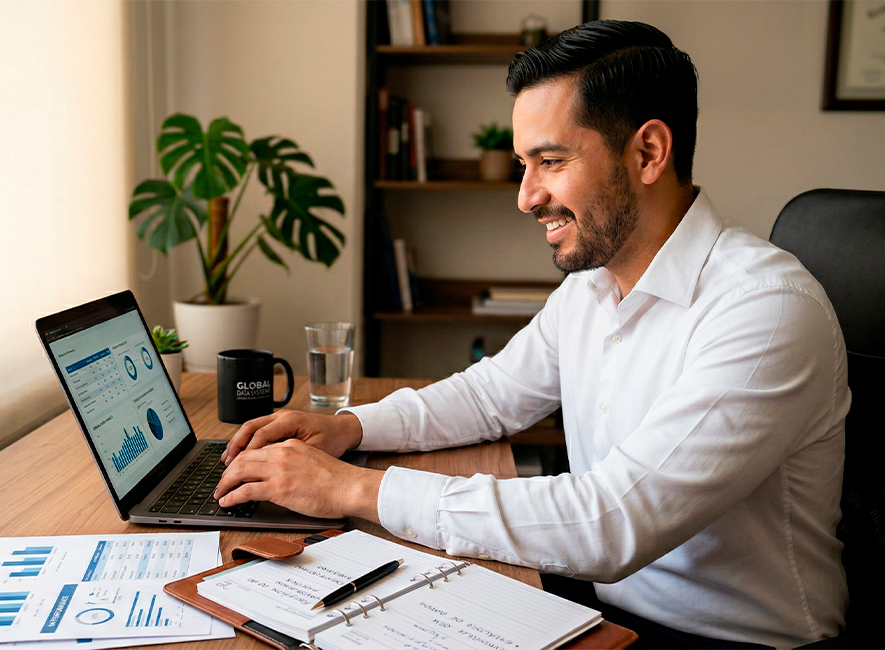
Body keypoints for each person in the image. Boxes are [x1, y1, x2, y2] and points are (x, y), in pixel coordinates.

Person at [214, 20, 850, 649]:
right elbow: (492, 396)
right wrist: (352, 427)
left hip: (728, 640)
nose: (525, 197)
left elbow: (609, 523)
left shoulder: (764, 310)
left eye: (550, 161)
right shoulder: (595, 285)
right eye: (524, 164)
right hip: (601, 606)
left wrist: (350, 488)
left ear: (648, 153)